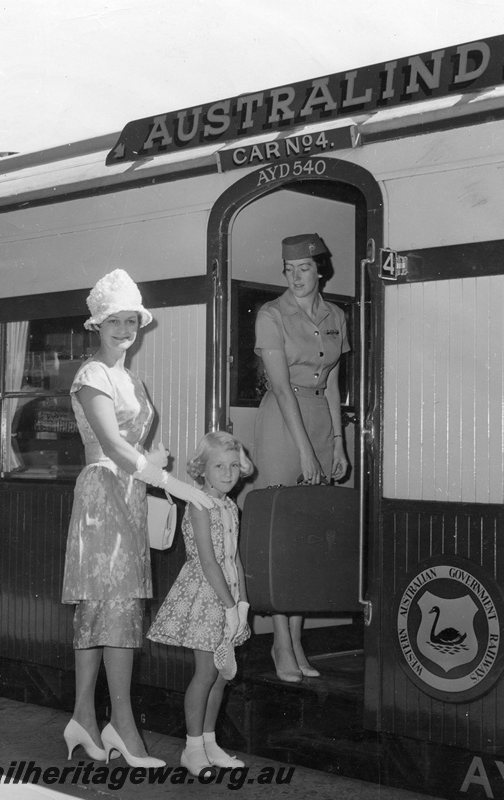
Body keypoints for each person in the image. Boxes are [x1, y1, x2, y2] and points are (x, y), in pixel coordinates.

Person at [61, 268, 213, 767]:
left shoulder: (130, 378)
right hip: (104, 492)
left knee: (102, 609)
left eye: (132, 321)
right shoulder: (92, 375)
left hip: (125, 494)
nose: (125, 331)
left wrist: (159, 457)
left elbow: (137, 446)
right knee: (116, 608)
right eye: (115, 322)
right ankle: (120, 725)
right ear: (97, 325)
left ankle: (84, 718)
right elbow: (112, 447)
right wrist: (179, 486)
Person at [253, 233, 350, 683]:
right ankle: (279, 643)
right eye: (289, 270)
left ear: (321, 270)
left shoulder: (336, 316)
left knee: (307, 535)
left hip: (318, 419)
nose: (296, 277)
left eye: (305, 268)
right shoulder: (271, 315)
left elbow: (330, 383)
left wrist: (338, 443)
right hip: (282, 421)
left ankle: (295, 641)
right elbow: (279, 385)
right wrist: (306, 452)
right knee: (283, 536)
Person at [147, 431, 253, 777]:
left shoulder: (230, 505)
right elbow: (209, 562)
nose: (227, 472)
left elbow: (233, 558)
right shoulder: (199, 504)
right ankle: (192, 748)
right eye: (219, 466)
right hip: (207, 597)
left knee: (223, 674)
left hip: (229, 598)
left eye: (234, 466)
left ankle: (210, 743)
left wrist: (243, 604)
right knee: (206, 673)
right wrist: (227, 605)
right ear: (202, 470)